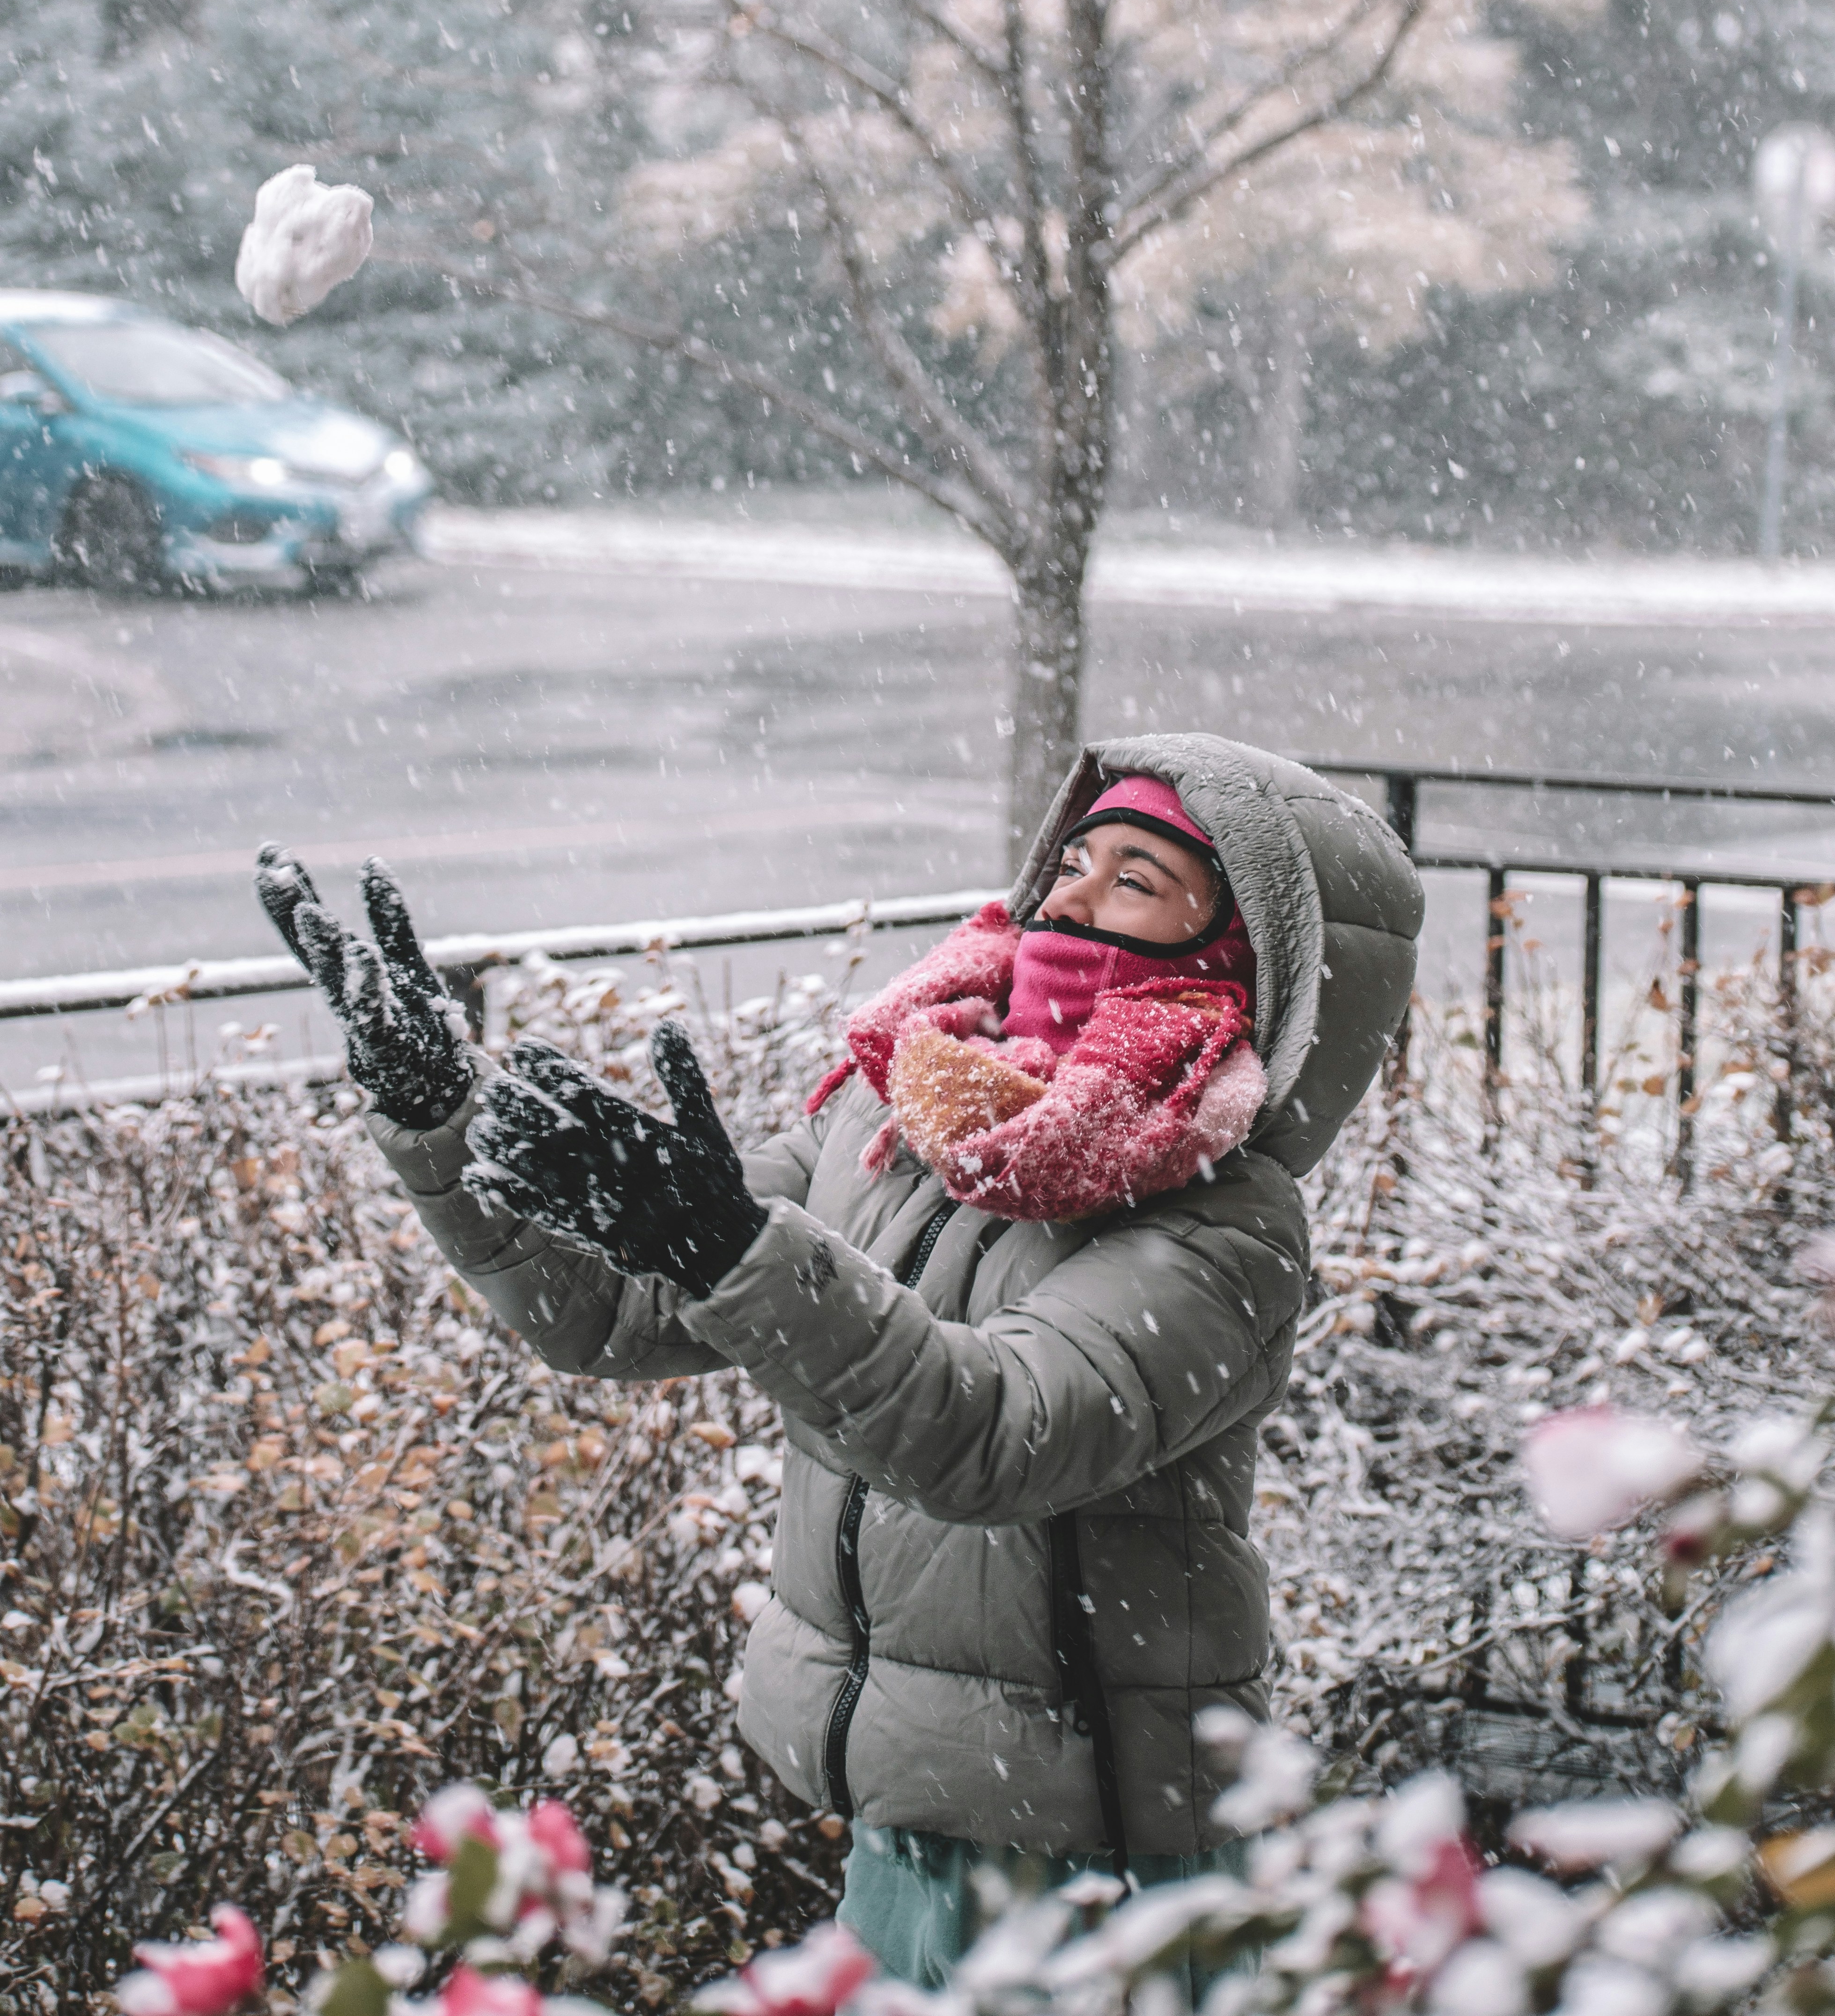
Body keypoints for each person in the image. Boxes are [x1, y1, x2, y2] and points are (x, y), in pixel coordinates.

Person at [255, 733, 1420, 1988]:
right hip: (911, 1823)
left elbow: (987, 1436)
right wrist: (442, 1117)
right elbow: (610, 1312)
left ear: (1234, 956)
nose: (1069, 898)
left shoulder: (1221, 1225)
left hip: (1116, 1858)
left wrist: (732, 1246)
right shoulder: (899, 1119)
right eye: (1073, 860)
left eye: (1135, 883)